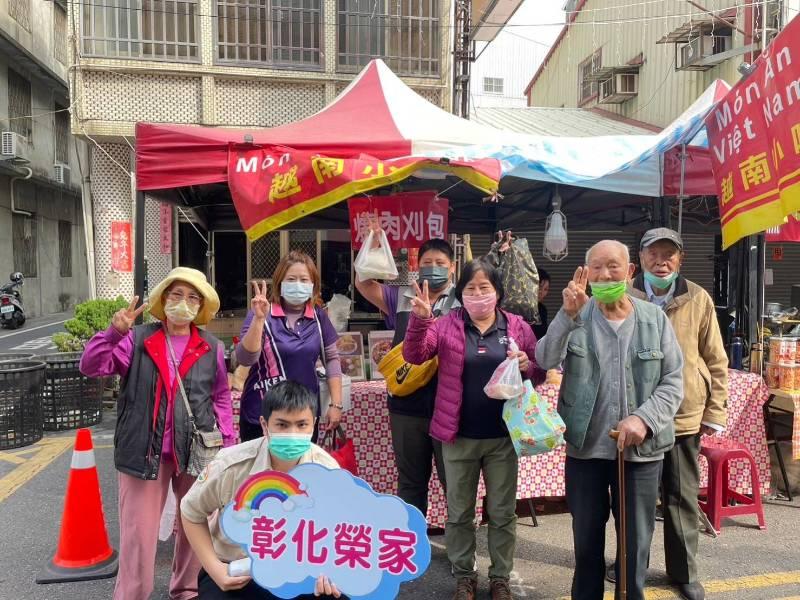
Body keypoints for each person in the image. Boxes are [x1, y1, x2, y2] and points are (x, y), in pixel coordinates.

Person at [535, 241, 683, 600]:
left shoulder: (653, 319)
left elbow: (674, 380)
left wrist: (644, 420)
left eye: (613, 266)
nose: (605, 275)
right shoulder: (577, 316)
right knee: (586, 544)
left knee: (635, 547)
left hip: (641, 454)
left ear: (630, 270)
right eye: (596, 268)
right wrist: (565, 317)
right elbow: (543, 358)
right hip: (586, 450)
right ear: (586, 274)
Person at [80, 267, 236, 600]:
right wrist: (112, 333)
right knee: (139, 534)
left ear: (200, 306)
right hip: (143, 451)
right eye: (177, 295)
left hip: (197, 451)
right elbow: (91, 366)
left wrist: (228, 444)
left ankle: (187, 590)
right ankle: (133, 595)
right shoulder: (136, 339)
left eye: (193, 297)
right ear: (164, 300)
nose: (184, 303)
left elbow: (220, 395)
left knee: (197, 525)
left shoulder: (211, 346)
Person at [403, 258, 546, 600]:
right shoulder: (447, 325)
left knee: (501, 512)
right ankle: (464, 575)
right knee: (460, 513)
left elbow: (538, 371)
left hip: (502, 438)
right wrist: (421, 321)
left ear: (497, 292)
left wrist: (529, 365)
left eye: (485, 288)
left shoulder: (517, 327)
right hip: (458, 437)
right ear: (460, 292)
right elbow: (415, 355)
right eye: (471, 289)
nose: (478, 295)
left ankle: (500, 578)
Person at [630, 228, 727, 600]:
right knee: (633, 502)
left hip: (684, 414)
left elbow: (716, 359)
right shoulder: (626, 295)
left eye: (669, 254)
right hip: (637, 414)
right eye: (653, 254)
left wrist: (715, 408)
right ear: (640, 258)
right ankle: (629, 566)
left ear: (680, 259)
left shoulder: (697, 298)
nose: (661, 261)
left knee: (681, 495)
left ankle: (683, 571)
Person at [181, 381, 343, 599]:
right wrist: (214, 568)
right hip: (239, 570)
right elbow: (191, 512)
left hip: (300, 570)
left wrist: (330, 571)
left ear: (314, 424)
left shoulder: (328, 471)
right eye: (282, 425)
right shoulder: (230, 465)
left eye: (302, 425)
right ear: (265, 425)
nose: (292, 434)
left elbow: (337, 528)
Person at [355, 225, 457, 519]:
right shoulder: (400, 296)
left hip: (448, 405)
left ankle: (460, 548)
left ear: (452, 267)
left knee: (454, 481)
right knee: (411, 482)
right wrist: (373, 243)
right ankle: (410, 544)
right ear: (417, 266)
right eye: (427, 263)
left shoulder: (464, 300)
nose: (433, 269)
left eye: (440, 264)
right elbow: (363, 283)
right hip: (405, 405)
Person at [237, 251, 343, 443]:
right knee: (262, 473)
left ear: (313, 285)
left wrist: (336, 403)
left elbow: (332, 359)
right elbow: (245, 358)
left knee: (300, 471)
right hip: (261, 415)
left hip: (303, 417)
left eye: (304, 279)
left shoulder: (319, 317)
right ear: (279, 282)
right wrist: (259, 320)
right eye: (291, 279)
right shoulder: (261, 313)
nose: (298, 284)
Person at [532, 269, 551, 340]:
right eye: (539, 287)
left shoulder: (543, 310)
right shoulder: (519, 308)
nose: (541, 292)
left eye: (545, 289)